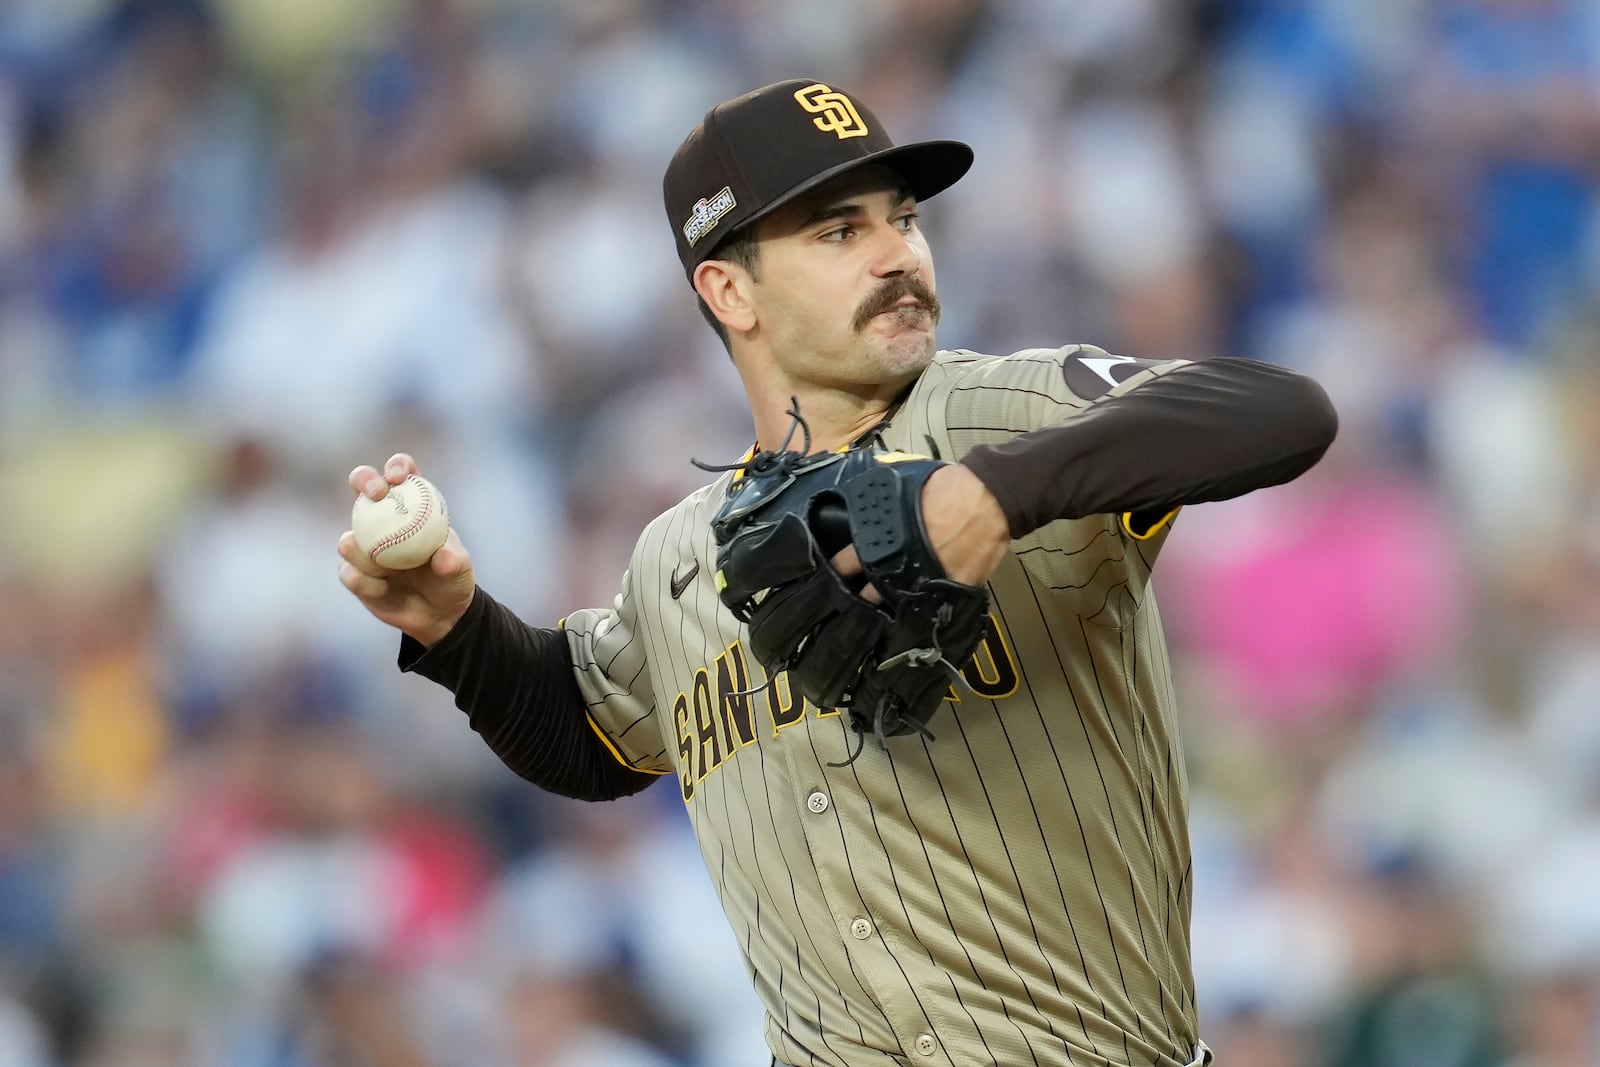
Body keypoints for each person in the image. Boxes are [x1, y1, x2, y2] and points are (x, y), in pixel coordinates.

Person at [337, 79, 1338, 1067]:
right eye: (837, 231)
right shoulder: (678, 554)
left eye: (902, 218)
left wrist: (990, 494)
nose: (899, 252)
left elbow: (1280, 412)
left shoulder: (999, 410)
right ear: (729, 289)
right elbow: (590, 736)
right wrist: (456, 626)